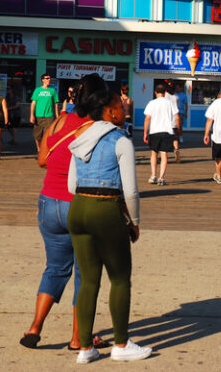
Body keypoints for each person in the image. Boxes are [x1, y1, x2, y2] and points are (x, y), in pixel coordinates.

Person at [20, 75, 107, 352]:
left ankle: (34, 327)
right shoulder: (100, 129)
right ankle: (77, 338)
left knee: (55, 268)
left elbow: (42, 159)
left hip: (49, 204)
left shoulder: (59, 121)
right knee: (85, 275)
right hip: (80, 206)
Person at [67, 88, 151, 363]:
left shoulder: (79, 137)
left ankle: (85, 349)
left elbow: (71, 185)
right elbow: (131, 191)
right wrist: (135, 222)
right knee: (119, 278)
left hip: (78, 208)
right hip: (105, 210)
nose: (124, 107)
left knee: (88, 280)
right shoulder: (121, 140)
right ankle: (120, 344)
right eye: (120, 103)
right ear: (108, 110)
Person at [143, 83, 179, 186]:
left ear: (155, 92)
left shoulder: (151, 103)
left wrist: (145, 132)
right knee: (164, 155)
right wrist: (179, 129)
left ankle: (153, 175)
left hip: (154, 131)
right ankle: (161, 178)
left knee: (154, 153)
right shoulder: (170, 103)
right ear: (165, 92)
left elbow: (147, 118)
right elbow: (177, 117)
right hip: (167, 132)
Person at [30, 74, 60, 151]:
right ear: (42, 80)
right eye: (47, 78)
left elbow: (55, 103)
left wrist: (57, 115)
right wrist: (31, 115)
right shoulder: (37, 90)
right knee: (37, 136)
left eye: (49, 78)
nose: (48, 80)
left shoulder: (52, 91)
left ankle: (45, 149)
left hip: (49, 116)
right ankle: (39, 148)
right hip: (38, 116)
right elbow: (33, 103)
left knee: (48, 135)